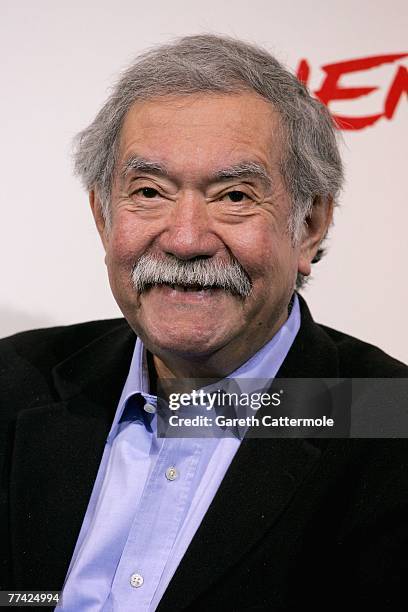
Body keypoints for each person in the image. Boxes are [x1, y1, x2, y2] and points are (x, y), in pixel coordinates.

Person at [1, 34, 407, 611]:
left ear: (310, 225)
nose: (186, 238)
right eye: (149, 192)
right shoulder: (12, 381)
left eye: (235, 196)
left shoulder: (387, 420)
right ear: (102, 215)